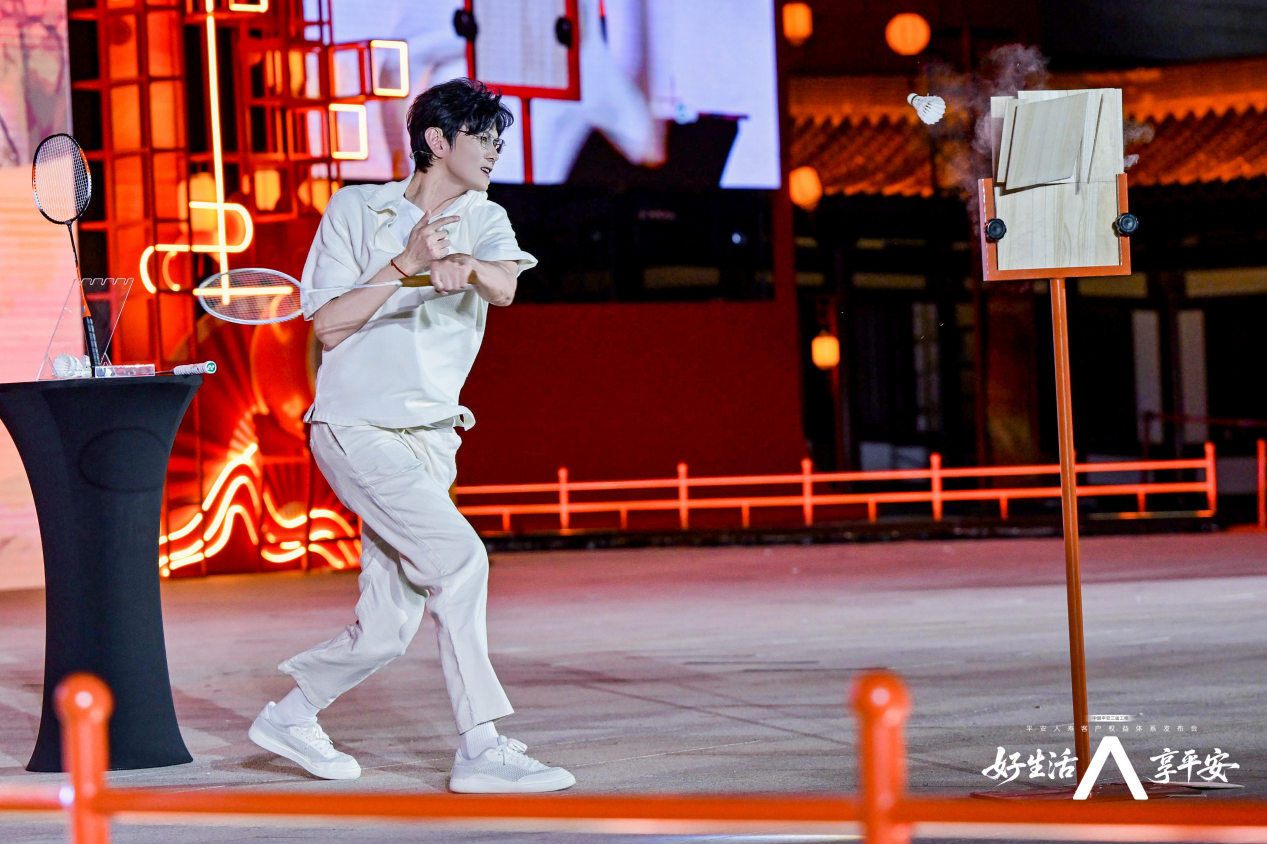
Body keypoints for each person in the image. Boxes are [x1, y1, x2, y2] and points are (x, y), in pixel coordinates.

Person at [247, 78, 575, 794]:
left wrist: (466, 265)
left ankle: (291, 716)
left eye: (498, 140)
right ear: (436, 140)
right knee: (459, 560)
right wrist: (407, 265)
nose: (495, 151)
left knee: (388, 624)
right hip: (356, 425)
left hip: (431, 441)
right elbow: (328, 324)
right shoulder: (356, 208)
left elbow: (504, 286)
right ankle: (480, 747)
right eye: (482, 137)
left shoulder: (486, 218)